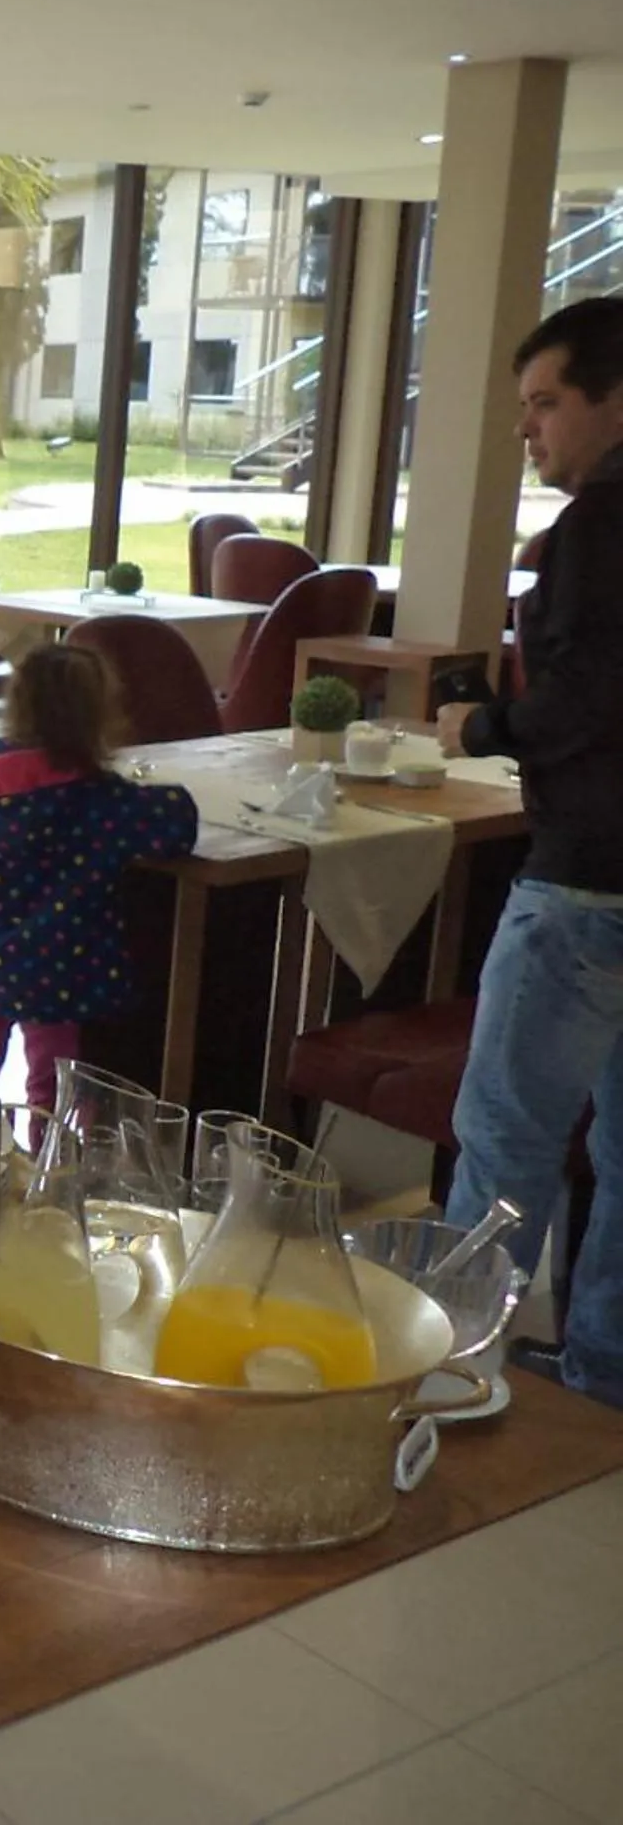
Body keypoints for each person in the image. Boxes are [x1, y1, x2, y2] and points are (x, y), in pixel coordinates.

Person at [437, 294, 623, 1407]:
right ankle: (603, 1371)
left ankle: (460, 1372)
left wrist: (482, 726)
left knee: (506, 1135)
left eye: (547, 404)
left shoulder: (599, 527)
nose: (529, 430)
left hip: (585, 880)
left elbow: (583, 701)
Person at [0, 643, 197, 1108]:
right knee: (52, 1086)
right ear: (98, 715)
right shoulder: (106, 800)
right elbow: (179, 821)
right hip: (65, 973)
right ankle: (48, 1171)